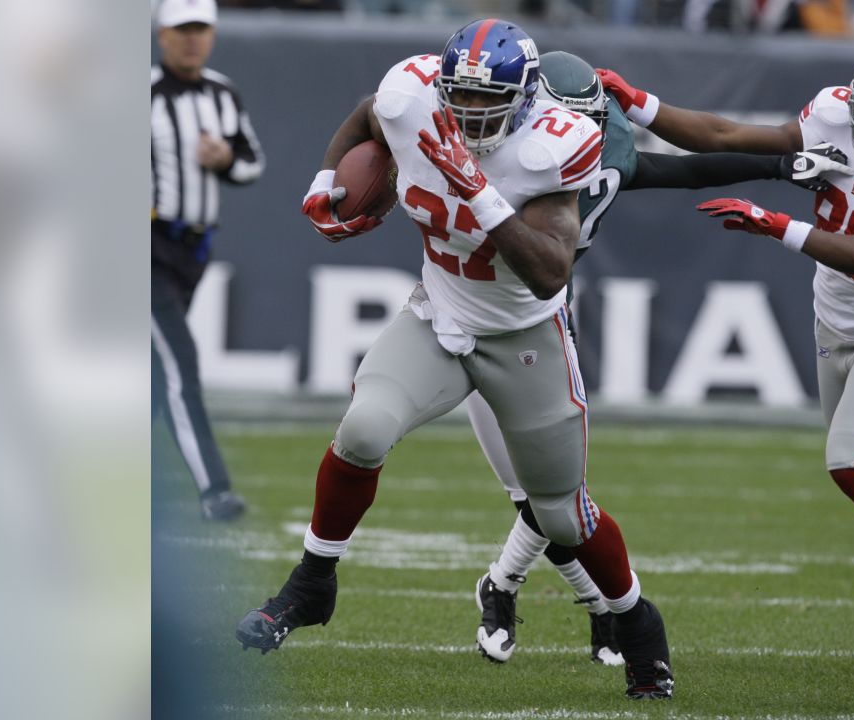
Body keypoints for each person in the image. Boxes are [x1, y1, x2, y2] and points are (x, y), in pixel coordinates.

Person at [234, 20, 674, 700]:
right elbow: (366, 117)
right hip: (438, 316)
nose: (470, 115)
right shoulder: (412, 95)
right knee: (363, 430)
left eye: (488, 102)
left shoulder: (557, 143)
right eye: (460, 99)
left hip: (524, 337)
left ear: (527, 99)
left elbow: (549, 272)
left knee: (561, 514)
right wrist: (328, 182)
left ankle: (638, 623)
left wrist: (473, 185)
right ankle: (311, 583)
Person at [597, 45, 854, 673]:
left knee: (851, 462)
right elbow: (727, 134)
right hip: (832, 328)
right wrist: (638, 102)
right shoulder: (835, 114)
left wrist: (775, 224)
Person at [468, 50, 837, 667]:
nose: (577, 140)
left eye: (590, 124)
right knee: (535, 495)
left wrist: (778, 166)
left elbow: (684, 171)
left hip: (536, 319)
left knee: (557, 494)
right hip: (466, 311)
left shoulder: (606, 147)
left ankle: (509, 589)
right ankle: (577, 605)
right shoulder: (493, 144)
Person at [151, 0, 265, 521]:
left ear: (213, 33)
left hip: (191, 250)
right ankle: (214, 489)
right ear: (162, 35)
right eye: (182, 29)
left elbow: (252, 162)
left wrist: (225, 160)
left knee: (154, 380)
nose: (192, 39)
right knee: (180, 365)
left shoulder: (222, 92)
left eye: (200, 28)